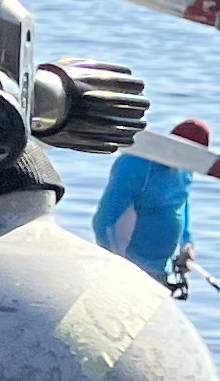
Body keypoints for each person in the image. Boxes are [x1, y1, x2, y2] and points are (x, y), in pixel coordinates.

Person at [91, 113, 212, 288]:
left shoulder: (186, 169)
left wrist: (187, 243)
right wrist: (114, 262)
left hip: (161, 270)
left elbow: (182, 204)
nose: (189, 164)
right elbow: (106, 218)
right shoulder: (137, 163)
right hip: (129, 268)